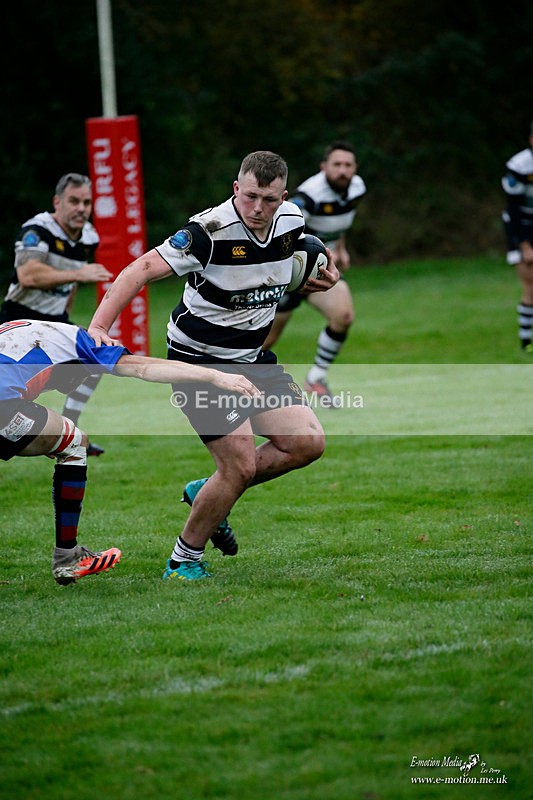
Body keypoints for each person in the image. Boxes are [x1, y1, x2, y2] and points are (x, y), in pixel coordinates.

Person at [88, 150, 339, 581]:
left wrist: (328, 274)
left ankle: (208, 493)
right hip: (199, 362)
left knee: (307, 443)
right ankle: (184, 559)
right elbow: (141, 268)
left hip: (250, 360)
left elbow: (308, 258)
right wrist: (98, 327)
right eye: (252, 197)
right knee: (239, 465)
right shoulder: (208, 231)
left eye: (271, 200)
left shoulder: (292, 221)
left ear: (284, 197)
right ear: (236, 188)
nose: (259, 209)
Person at [0, 318, 261, 585]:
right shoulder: (88, 345)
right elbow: (144, 367)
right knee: (76, 444)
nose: (74, 385)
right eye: (86, 376)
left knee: (63, 438)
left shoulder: (27, 330)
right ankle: (67, 557)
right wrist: (215, 375)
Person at [0, 173, 113, 454]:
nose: (81, 209)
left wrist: (66, 319)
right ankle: (19, 430)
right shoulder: (36, 231)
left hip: (53, 322)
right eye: (73, 201)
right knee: (13, 390)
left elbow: (71, 284)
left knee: (95, 359)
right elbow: (27, 275)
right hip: (19, 320)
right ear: (57, 202)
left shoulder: (88, 235)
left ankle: (69, 431)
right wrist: (79, 273)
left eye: (86, 202)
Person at [263, 140, 367, 399]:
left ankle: (316, 379)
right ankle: (224, 384)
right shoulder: (309, 196)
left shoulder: (356, 188)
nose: (342, 170)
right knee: (265, 341)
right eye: (337, 165)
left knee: (343, 316)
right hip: (289, 275)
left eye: (348, 165)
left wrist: (340, 247)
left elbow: (341, 221)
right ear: (324, 167)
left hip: (319, 273)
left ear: (355, 168)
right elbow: (280, 226)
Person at [502, 124, 533, 353]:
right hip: (522, 226)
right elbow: (512, 210)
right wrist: (524, 246)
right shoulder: (519, 166)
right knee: (530, 282)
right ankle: (527, 342)